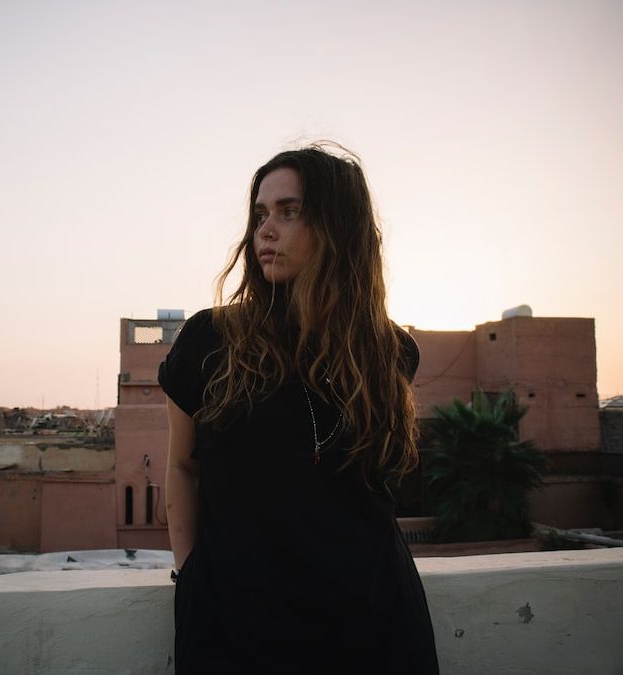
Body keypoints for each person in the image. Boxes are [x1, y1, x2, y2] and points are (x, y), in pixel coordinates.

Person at [159, 144, 440, 673]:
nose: (265, 230)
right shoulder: (210, 340)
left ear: (338, 227)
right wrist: (191, 576)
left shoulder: (388, 351)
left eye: (289, 212)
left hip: (376, 628)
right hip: (239, 631)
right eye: (261, 214)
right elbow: (180, 467)